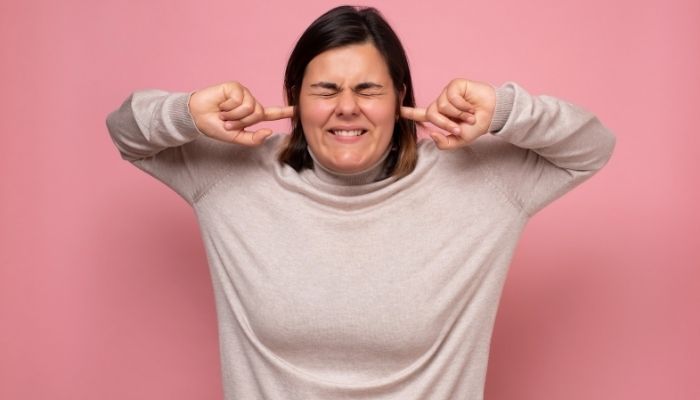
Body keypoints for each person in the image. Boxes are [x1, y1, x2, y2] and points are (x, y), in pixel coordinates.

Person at [106, 5, 615, 400]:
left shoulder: (483, 182)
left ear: (400, 99)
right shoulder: (229, 174)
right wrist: (188, 111)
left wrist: (504, 109)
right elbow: (126, 131)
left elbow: (592, 147)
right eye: (325, 89)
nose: (346, 107)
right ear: (293, 99)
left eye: (368, 89)